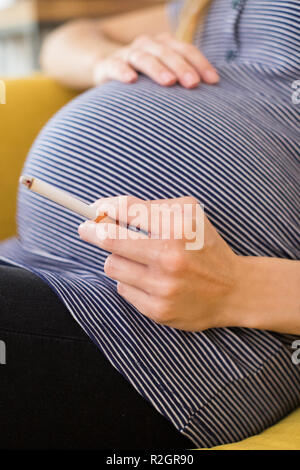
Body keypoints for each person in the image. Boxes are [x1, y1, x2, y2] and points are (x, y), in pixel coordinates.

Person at [0, 0, 299, 449]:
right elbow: (65, 39)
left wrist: (239, 286)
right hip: (38, 259)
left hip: (175, 336)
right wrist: (105, 60)